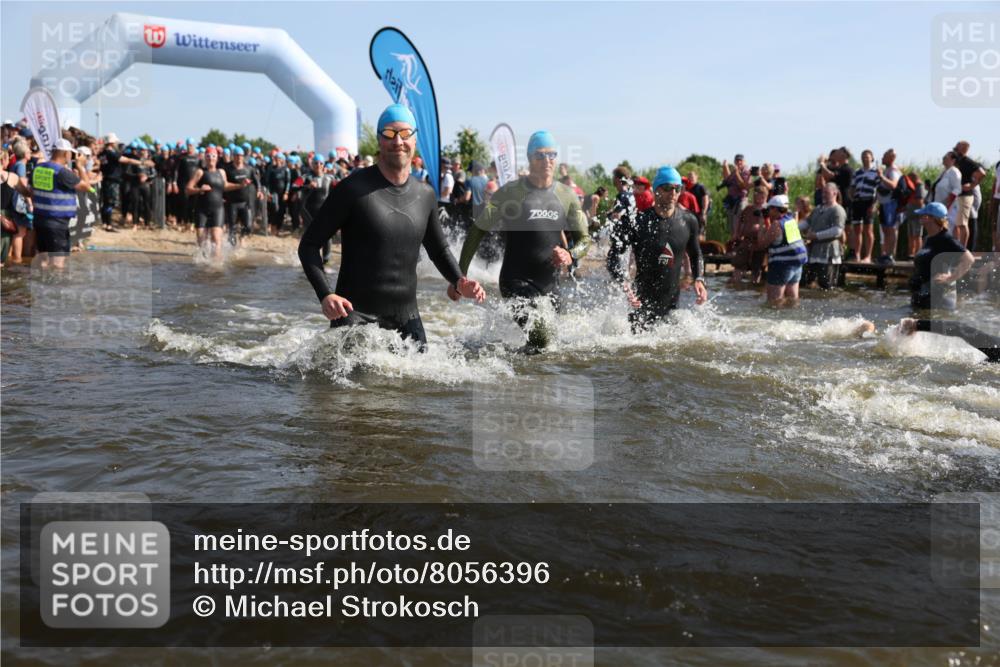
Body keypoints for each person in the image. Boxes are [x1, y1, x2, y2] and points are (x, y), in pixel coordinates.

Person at [298, 104, 484, 350]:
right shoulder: (352, 189)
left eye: (405, 133)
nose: (398, 141)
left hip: (406, 319)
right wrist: (326, 294)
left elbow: (438, 249)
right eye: (389, 133)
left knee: (418, 385)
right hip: (356, 317)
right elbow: (309, 246)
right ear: (379, 140)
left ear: (414, 141)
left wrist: (460, 281)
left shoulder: (425, 195)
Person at [458, 130, 591, 349]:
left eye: (552, 154)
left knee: (548, 351)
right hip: (515, 282)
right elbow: (477, 231)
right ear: (529, 158)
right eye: (540, 155)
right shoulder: (510, 193)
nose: (547, 160)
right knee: (541, 339)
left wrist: (571, 254)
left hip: (551, 286)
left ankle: (520, 376)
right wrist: (460, 276)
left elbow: (584, 240)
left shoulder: (567, 195)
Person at [607, 166, 707, 331]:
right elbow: (613, 257)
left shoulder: (688, 221)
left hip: (673, 309)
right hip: (640, 307)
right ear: (655, 190)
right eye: (667, 188)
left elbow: (696, 254)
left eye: (677, 188)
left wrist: (699, 279)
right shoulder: (637, 222)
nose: (673, 193)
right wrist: (624, 283)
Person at [28, 138, 92, 268]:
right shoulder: (62, 172)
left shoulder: (38, 168)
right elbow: (86, 187)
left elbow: (32, 191)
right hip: (57, 224)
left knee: (43, 260)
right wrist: (80, 167)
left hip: (40, 220)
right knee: (57, 263)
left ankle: (40, 286)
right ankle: (56, 287)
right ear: (65, 154)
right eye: (70, 154)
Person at [908, 202, 975, 311]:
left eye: (924, 214)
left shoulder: (946, 239)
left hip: (939, 302)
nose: (920, 217)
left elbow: (969, 259)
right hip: (923, 297)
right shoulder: (928, 238)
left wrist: (951, 278)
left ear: (932, 219)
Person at [758, 194, 807, 306]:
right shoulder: (791, 221)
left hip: (781, 266)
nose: (768, 211)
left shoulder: (776, 225)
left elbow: (762, 244)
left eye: (769, 209)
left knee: (774, 303)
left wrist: (761, 223)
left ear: (775, 209)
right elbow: (783, 242)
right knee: (792, 301)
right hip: (796, 266)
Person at [185, 147, 234, 259]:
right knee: (202, 241)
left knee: (216, 239)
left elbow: (225, 186)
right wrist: (199, 190)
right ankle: (203, 265)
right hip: (201, 209)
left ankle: (216, 265)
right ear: (205, 158)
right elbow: (188, 189)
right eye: (208, 156)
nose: (211, 159)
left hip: (218, 209)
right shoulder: (200, 172)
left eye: (213, 156)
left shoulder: (221, 172)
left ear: (217, 158)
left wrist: (240, 185)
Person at [799, 183, 846, 290]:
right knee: (808, 284)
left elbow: (837, 231)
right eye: (822, 192)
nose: (823, 195)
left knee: (827, 287)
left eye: (826, 192)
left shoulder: (838, 210)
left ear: (835, 193)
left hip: (829, 253)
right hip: (814, 252)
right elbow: (806, 223)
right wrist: (789, 228)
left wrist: (816, 235)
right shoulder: (818, 209)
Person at [729, 185, 769, 285]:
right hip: (746, 241)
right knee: (738, 266)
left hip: (760, 243)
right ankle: (735, 287)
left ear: (765, 197)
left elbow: (772, 226)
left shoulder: (768, 210)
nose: (758, 198)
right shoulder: (748, 209)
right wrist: (737, 234)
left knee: (757, 269)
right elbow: (740, 221)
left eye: (760, 196)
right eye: (756, 195)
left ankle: (754, 288)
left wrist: (761, 227)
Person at [951, 141, 986, 249]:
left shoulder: (967, 161)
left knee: (964, 222)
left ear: (963, 148)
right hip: (960, 195)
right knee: (959, 223)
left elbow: (982, 173)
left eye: (957, 148)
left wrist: (972, 185)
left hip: (966, 195)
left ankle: (965, 249)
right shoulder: (959, 161)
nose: (955, 150)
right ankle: (960, 248)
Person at [605, 165, 637, 281]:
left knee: (613, 265)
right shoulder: (630, 194)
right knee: (620, 265)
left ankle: (624, 291)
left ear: (618, 179)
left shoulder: (621, 195)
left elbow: (617, 215)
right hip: (629, 236)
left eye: (613, 177)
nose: (612, 180)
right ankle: (625, 287)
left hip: (622, 236)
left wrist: (609, 215)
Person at [848, 149, 879, 262]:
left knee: (868, 229)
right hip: (857, 201)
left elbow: (878, 190)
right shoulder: (857, 172)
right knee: (857, 229)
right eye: (863, 156)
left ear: (872, 158)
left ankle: (868, 255)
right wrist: (852, 197)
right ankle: (857, 254)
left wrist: (874, 204)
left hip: (869, 201)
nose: (865, 158)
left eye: (867, 156)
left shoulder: (876, 172)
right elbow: (852, 186)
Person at [875, 148, 902, 264]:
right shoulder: (887, 170)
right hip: (883, 203)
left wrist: (882, 177)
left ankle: (890, 255)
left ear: (891, 158)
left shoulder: (893, 171)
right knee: (886, 229)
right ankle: (885, 254)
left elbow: (894, 185)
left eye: (884, 156)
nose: (882, 158)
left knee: (891, 229)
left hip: (891, 204)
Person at [721, 153, 751, 237]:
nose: (739, 162)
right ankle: (733, 241)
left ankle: (739, 241)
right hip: (731, 200)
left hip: (741, 199)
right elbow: (727, 180)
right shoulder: (734, 171)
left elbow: (743, 186)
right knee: (731, 225)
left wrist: (737, 173)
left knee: (738, 223)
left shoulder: (746, 172)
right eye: (737, 160)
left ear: (744, 161)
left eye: (740, 160)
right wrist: (725, 167)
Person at [265, 153, 291, 235]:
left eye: (279, 158)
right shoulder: (271, 169)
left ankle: (278, 227)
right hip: (274, 192)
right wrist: (268, 192)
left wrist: (286, 193)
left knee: (282, 211)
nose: (277, 160)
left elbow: (288, 182)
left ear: (282, 160)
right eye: (276, 158)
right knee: (274, 208)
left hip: (283, 193)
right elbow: (268, 182)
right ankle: (273, 226)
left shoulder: (286, 169)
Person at [687, 170, 710, 239]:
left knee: (700, 233)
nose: (690, 178)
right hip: (692, 214)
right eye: (689, 177)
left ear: (697, 177)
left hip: (700, 213)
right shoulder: (689, 189)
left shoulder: (700, 187)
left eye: (692, 176)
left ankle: (701, 247)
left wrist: (703, 212)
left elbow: (705, 199)